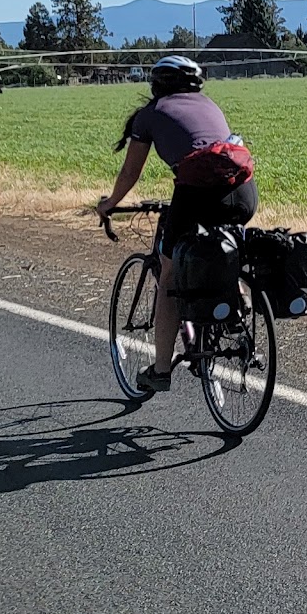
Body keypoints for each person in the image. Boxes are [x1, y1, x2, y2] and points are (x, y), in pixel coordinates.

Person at [97, 55, 258, 393]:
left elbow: (130, 172)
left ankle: (160, 371)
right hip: (243, 193)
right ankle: (237, 309)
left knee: (168, 277)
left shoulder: (151, 114)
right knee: (223, 247)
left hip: (197, 192)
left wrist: (110, 203)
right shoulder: (209, 104)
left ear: (157, 85)